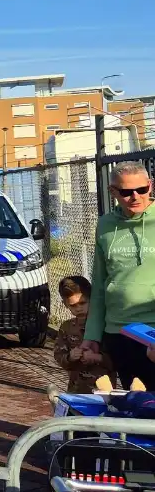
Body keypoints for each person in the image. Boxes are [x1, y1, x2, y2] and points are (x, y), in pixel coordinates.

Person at [81, 162, 155, 389]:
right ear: (113, 192)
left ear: (150, 186)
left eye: (141, 190)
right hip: (118, 331)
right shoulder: (105, 225)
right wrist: (92, 335)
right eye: (126, 192)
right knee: (135, 402)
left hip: (152, 330)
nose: (135, 197)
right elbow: (100, 284)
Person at [54, 276, 115, 394]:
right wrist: (70, 357)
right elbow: (59, 355)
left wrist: (96, 358)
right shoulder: (66, 328)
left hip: (104, 393)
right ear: (65, 304)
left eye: (82, 303)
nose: (78, 309)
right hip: (76, 391)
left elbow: (117, 360)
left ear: (91, 299)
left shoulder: (105, 326)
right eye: (73, 305)